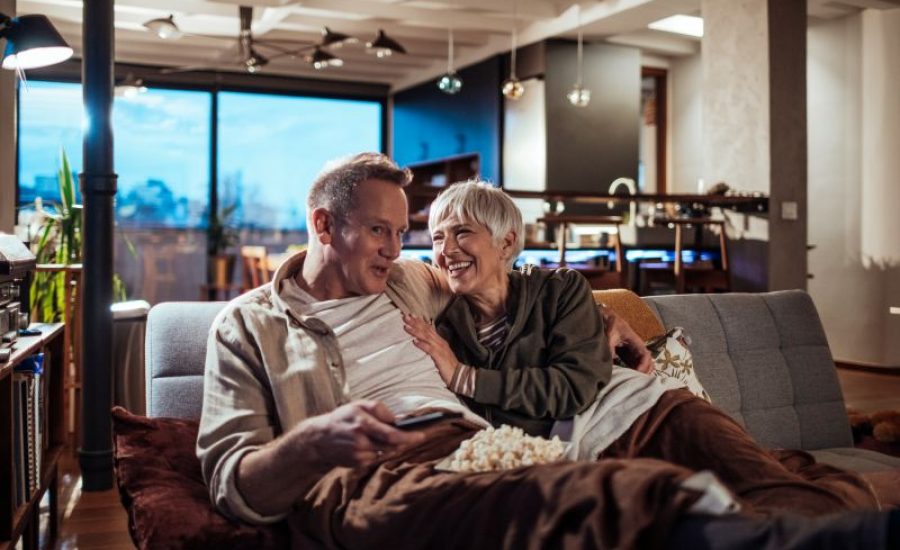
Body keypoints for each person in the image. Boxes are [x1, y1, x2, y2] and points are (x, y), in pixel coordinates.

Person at [198, 153, 896, 549]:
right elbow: (231, 483)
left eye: (404, 233)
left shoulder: (401, 282)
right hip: (370, 469)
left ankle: (828, 531)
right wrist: (315, 443)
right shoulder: (247, 326)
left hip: (478, 444)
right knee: (584, 492)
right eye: (381, 232)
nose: (401, 250)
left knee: (713, 459)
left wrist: (603, 313)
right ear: (323, 225)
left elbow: (502, 279)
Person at [403, 180, 880, 517]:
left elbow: (574, 388)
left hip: (652, 414)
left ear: (507, 242)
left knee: (789, 502)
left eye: (463, 232)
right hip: (596, 453)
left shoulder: (561, 290)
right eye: (438, 236)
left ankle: (867, 502)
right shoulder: (445, 325)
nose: (446, 249)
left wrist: (464, 376)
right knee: (733, 514)